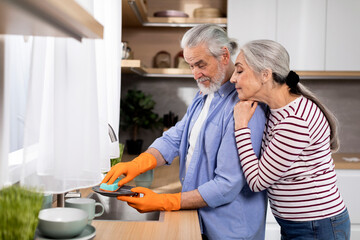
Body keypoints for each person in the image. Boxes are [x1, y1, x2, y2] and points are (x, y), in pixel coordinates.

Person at [101, 24, 268, 240]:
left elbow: (227, 184)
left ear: (224, 56)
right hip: (200, 217)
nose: (196, 74)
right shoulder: (205, 93)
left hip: (229, 229)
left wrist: (166, 201)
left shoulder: (244, 105)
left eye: (201, 64)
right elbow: (177, 135)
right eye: (191, 66)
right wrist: (138, 164)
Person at [231, 39, 351, 240]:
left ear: (265, 75)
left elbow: (257, 182)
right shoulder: (274, 109)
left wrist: (241, 127)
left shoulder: (295, 121)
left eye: (240, 71)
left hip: (317, 227)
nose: (233, 78)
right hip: (300, 225)